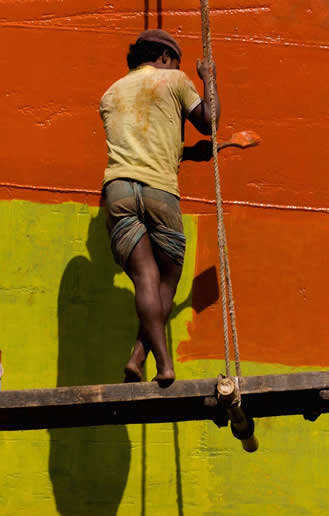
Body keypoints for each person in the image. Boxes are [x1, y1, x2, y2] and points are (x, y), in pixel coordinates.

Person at [99, 29, 219, 385]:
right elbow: (209, 122)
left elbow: (138, 139)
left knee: (144, 278)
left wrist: (186, 152)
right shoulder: (176, 79)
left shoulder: (110, 94)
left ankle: (138, 358)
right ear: (166, 58)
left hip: (118, 190)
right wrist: (209, 79)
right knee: (165, 279)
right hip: (160, 192)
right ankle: (163, 365)